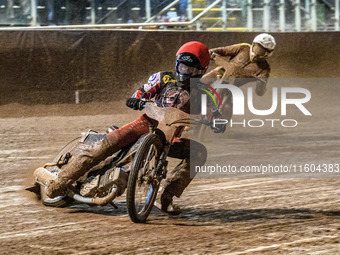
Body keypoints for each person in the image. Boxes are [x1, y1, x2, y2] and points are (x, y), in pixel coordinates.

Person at [44, 41, 226, 215]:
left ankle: (166, 196)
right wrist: (136, 99)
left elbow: (214, 112)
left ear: (202, 71)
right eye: (184, 67)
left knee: (198, 152)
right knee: (103, 147)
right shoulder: (163, 77)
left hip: (171, 137)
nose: (186, 73)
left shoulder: (206, 92)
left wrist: (218, 121)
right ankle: (59, 182)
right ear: (177, 64)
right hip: (143, 125)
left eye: (192, 70)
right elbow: (141, 92)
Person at [201, 33, 276, 124]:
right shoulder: (243, 48)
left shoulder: (264, 69)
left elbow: (260, 91)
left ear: (267, 54)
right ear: (253, 44)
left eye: (261, 51)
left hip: (230, 88)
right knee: (197, 84)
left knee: (227, 110)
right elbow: (222, 50)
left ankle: (218, 128)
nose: (257, 53)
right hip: (219, 73)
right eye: (257, 48)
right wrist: (210, 53)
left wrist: (261, 84)